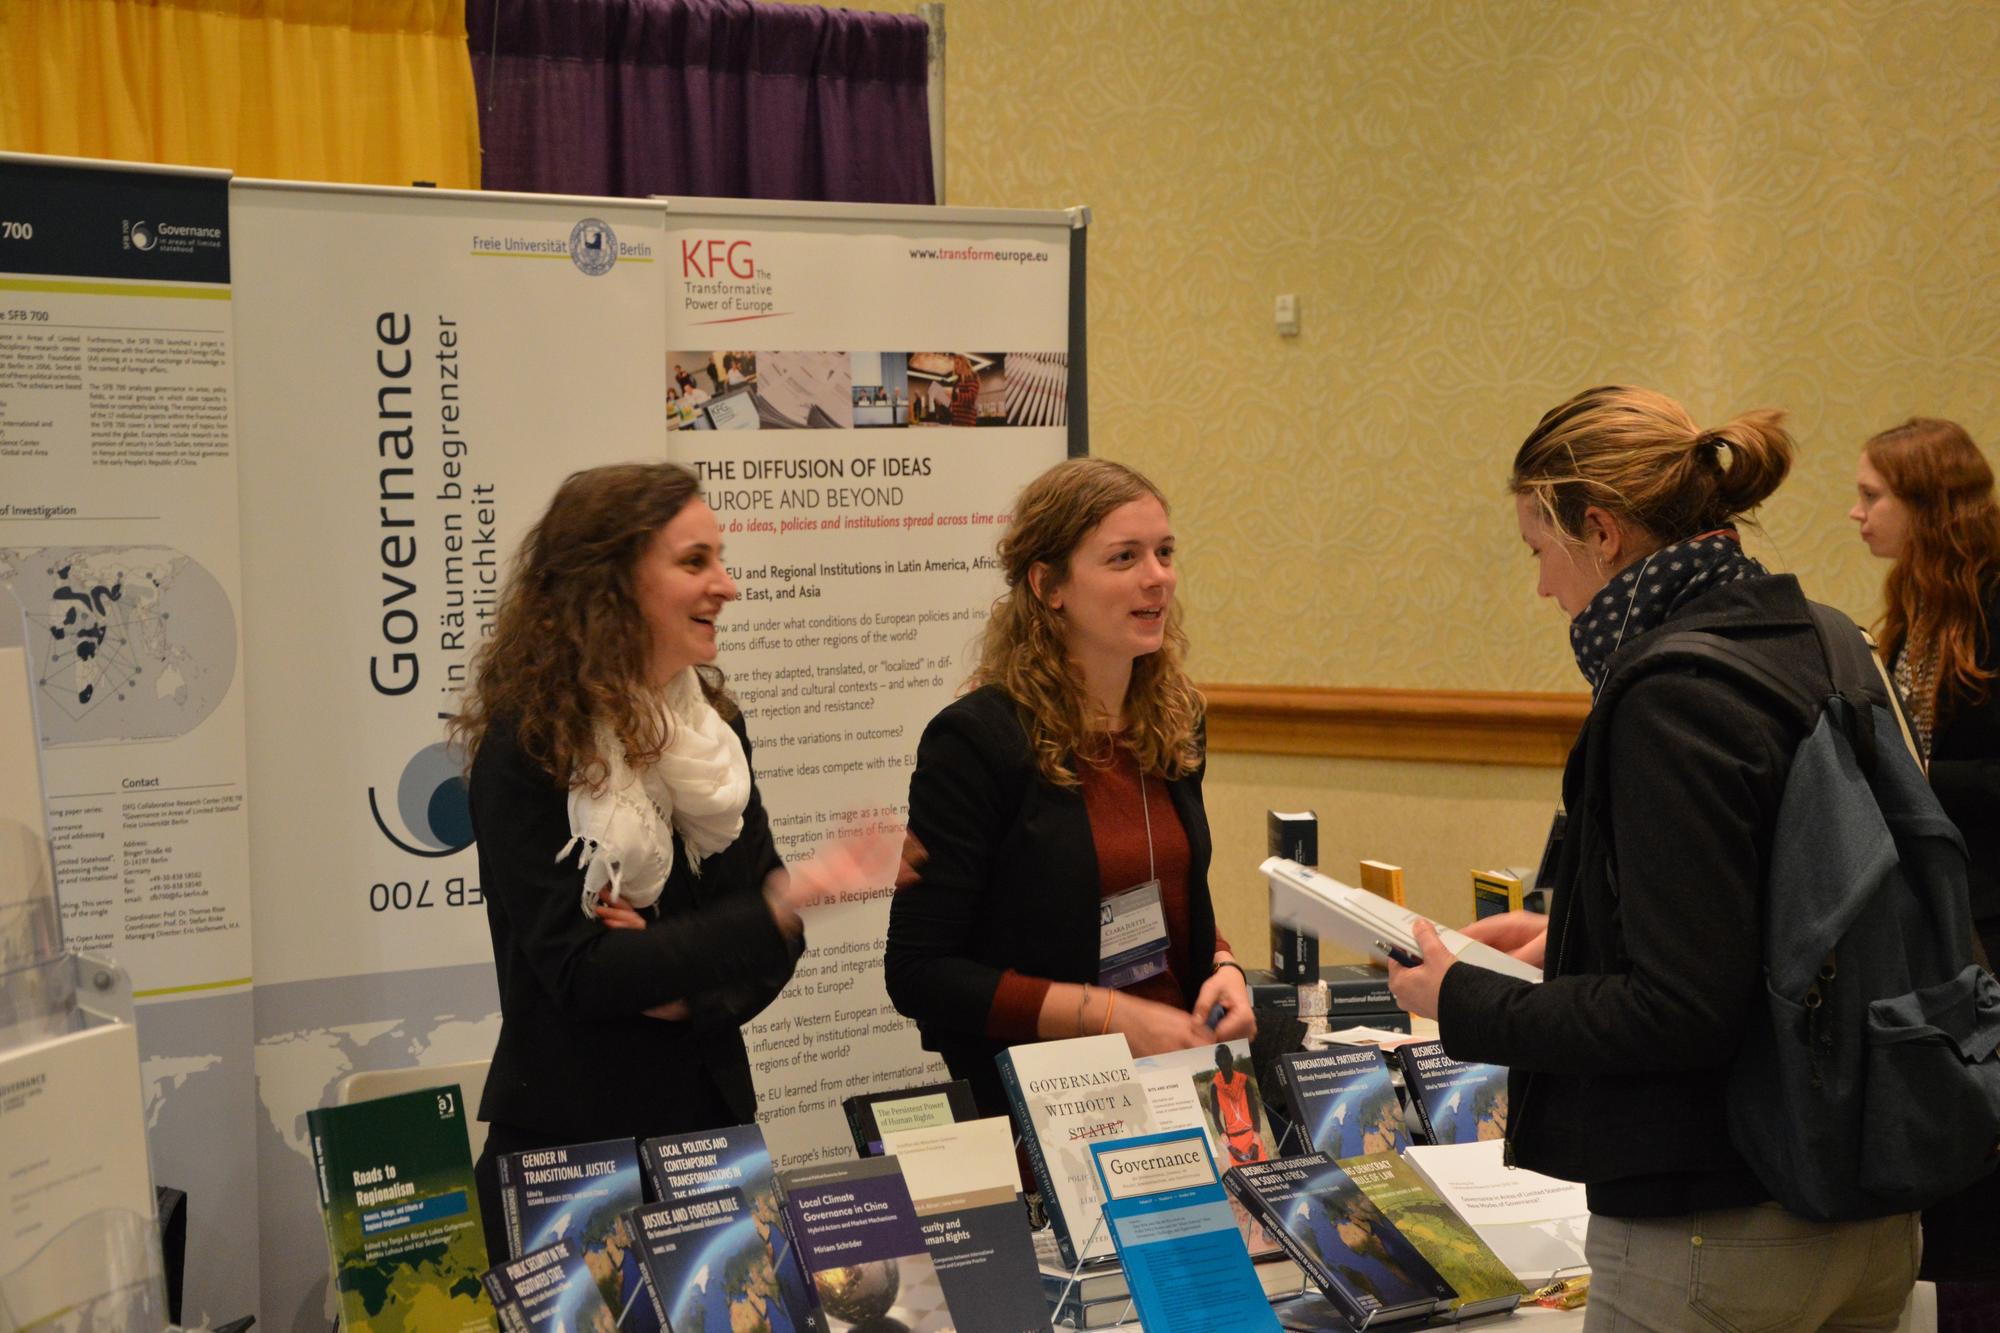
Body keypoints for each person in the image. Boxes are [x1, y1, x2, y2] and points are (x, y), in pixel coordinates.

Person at [1387, 386, 1920, 1329]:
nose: (1544, 589)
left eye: (1539, 552)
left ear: (1600, 530)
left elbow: (1681, 1011)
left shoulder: (1669, 693)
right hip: (1868, 1200)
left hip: (1719, 1223)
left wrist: (1462, 998)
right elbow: (1785, 915)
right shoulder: (1825, 636)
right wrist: (1574, 934)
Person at [450, 462, 884, 1258]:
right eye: (695, 562)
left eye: (720, 558)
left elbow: (775, 949)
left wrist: (683, 989)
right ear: (609, 582)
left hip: (712, 1138)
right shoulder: (530, 746)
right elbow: (583, 975)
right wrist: (771, 909)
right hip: (571, 1157)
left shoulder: (712, 733)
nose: (727, 585)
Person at [884, 458, 1254, 1116]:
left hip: (1181, 1082)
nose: (1158, 576)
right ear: (1049, 584)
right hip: (1045, 1101)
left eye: (1165, 552)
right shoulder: (977, 740)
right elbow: (921, 972)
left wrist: (1225, 967)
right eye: (1123, 557)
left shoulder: (1175, 720)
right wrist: (1110, 1015)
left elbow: (1168, 889)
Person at [1850, 417, 2000, 1319]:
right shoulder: (1909, 605)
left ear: (1930, 504)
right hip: (1937, 915)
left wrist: (1919, 775)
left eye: (1873, 495)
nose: (1856, 513)